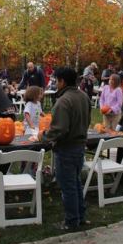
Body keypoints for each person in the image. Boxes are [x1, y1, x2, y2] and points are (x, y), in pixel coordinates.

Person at [39, 67, 91, 231]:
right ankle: (80, 217)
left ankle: (71, 221)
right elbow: (88, 119)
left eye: (56, 80)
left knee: (68, 186)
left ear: (62, 81)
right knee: (75, 183)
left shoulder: (63, 101)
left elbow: (59, 129)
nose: (55, 83)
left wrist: (44, 136)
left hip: (67, 147)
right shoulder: (83, 96)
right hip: (79, 145)